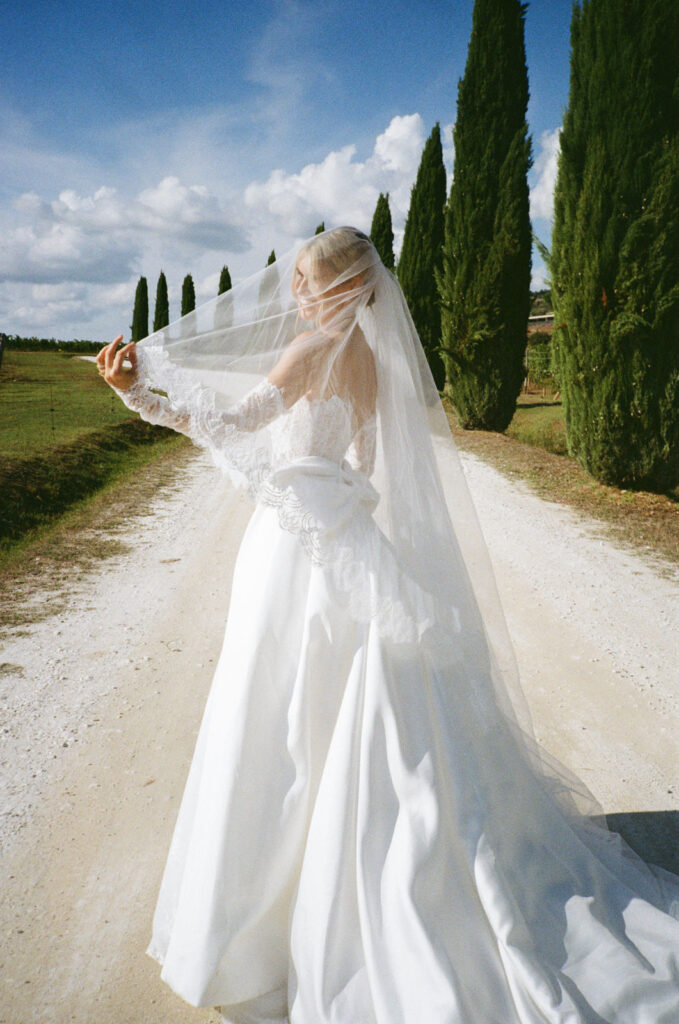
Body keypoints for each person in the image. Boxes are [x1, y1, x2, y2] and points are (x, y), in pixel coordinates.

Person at [98, 227, 679, 1024]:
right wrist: (335, 502)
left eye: (306, 281)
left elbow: (231, 426)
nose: (296, 294)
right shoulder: (370, 358)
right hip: (344, 531)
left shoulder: (309, 349)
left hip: (297, 544)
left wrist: (137, 394)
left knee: (280, 706)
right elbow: (367, 461)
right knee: (352, 697)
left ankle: (275, 908)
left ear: (341, 287)